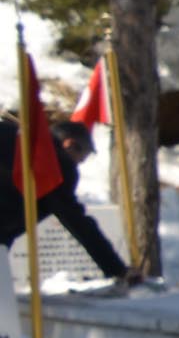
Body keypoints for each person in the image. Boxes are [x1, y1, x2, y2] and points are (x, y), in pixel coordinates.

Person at [0, 112, 132, 284]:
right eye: (80, 160)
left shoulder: (17, 139)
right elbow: (76, 221)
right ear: (69, 144)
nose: (77, 166)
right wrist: (117, 269)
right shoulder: (55, 163)